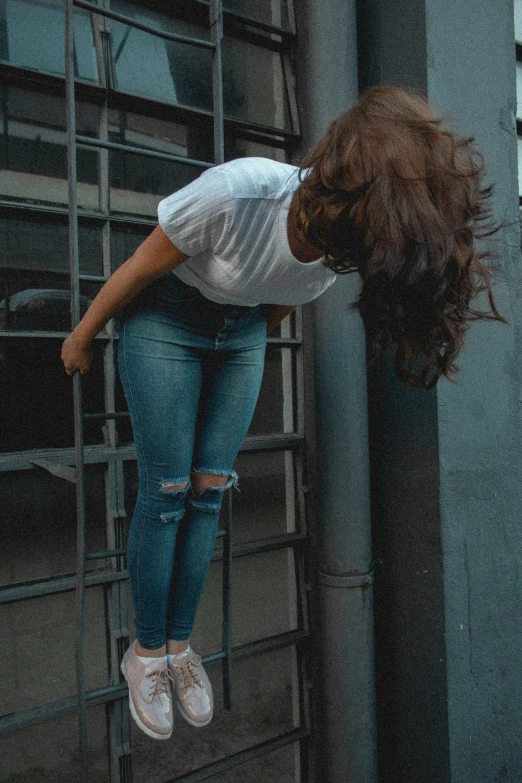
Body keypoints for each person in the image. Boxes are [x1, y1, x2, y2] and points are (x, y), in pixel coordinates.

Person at [61, 85, 505, 740]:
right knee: (167, 490)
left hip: (239, 335)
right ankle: (145, 652)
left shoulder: (342, 246)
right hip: (164, 319)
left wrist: (241, 340)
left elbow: (279, 298)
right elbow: (141, 266)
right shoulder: (239, 192)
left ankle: (180, 648)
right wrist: (84, 333)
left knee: (209, 494)